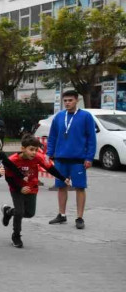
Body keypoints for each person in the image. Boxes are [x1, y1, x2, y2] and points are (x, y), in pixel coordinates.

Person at [2, 135, 70, 248]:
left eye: (36, 149)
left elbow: (50, 168)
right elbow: (8, 178)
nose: (34, 152)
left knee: (29, 213)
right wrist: (19, 188)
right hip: (17, 188)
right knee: (19, 212)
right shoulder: (12, 160)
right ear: (23, 148)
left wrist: (63, 178)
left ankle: (8, 211)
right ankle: (16, 236)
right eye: (31, 149)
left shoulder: (38, 157)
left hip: (31, 188)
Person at [46, 90, 96, 229]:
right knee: (61, 187)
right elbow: (53, 137)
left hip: (78, 159)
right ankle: (61, 215)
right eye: (65, 101)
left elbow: (91, 138)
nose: (67, 103)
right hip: (60, 158)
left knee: (80, 187)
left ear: (77, 100)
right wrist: (49, 154)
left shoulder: (86, 116)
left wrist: (89, 157)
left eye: (70, 100)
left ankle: (79, 217)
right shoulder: (59, 117)